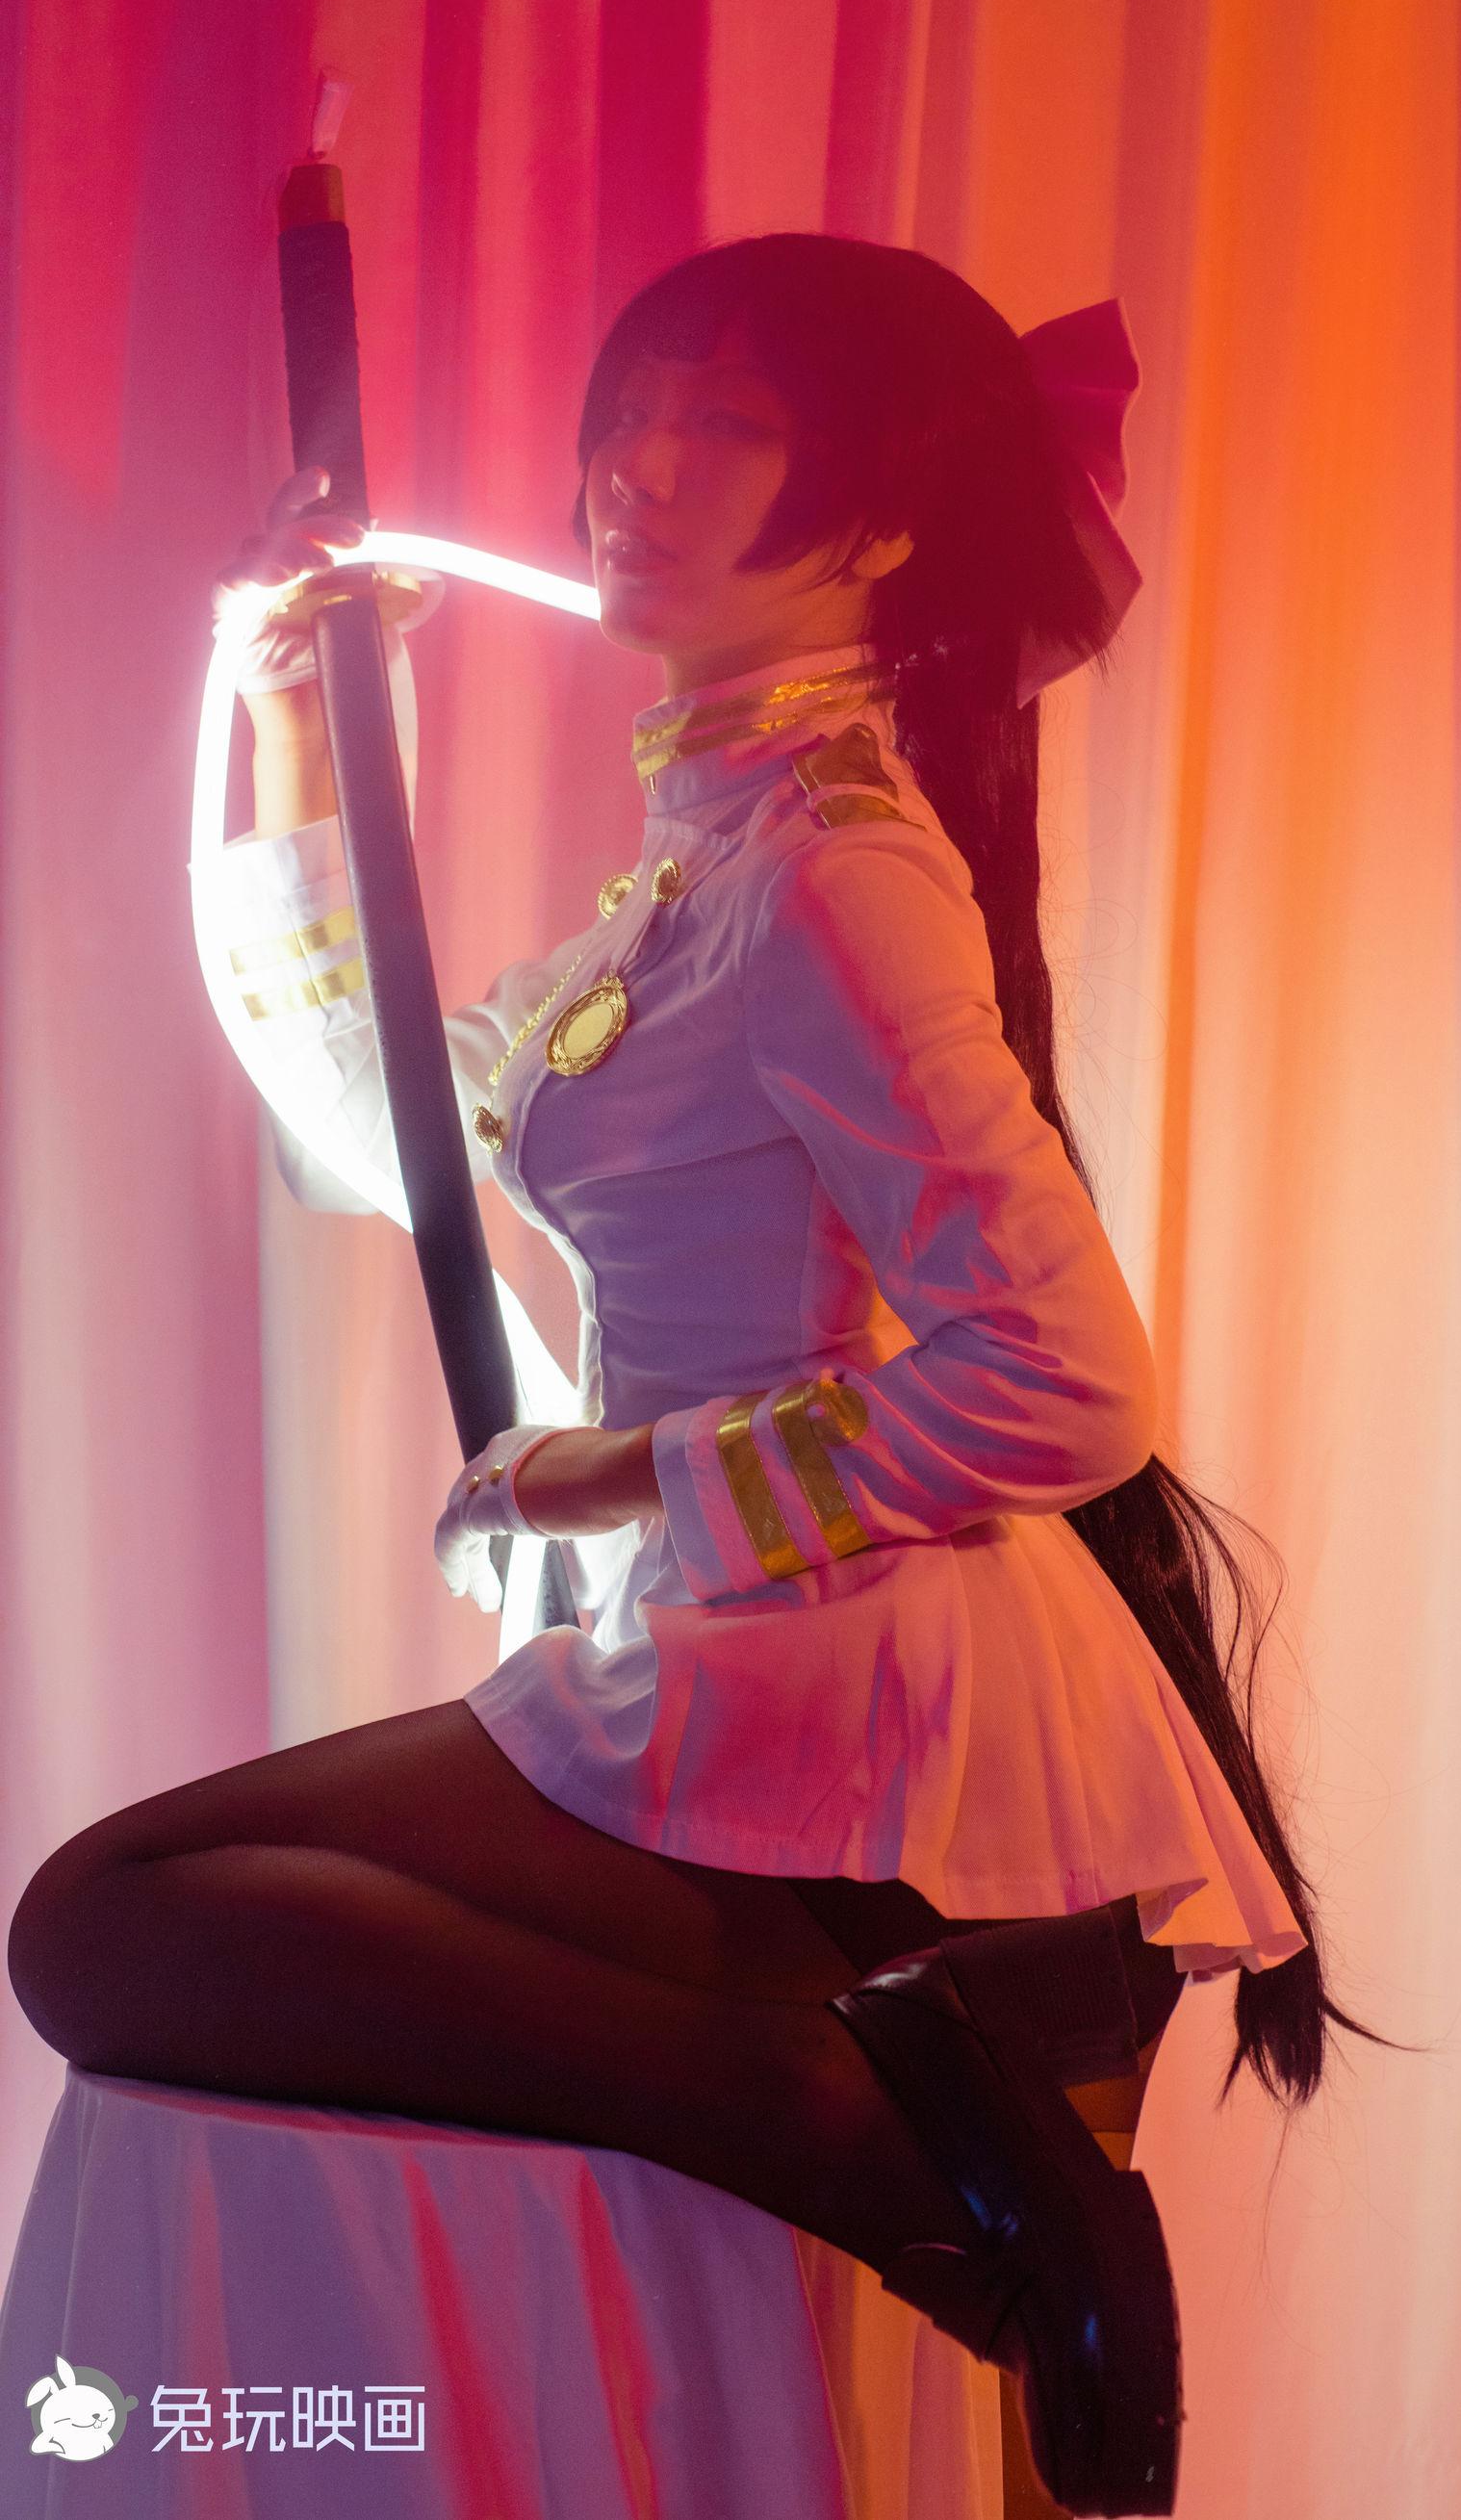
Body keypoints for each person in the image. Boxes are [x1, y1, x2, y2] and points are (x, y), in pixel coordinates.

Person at [9, 233, 1387, 2517]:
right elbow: (395, 1127)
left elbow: (1063, 1382)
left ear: (880, 523)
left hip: (835, 1688)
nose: (636, 466)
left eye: (724, 424)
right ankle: (848, 2107)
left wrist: (618, 1475)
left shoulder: (832, 875)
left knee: (105, 1923)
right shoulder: (710, 864)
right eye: (631, 408)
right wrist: (293, 723)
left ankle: (851, 2122)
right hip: (735, 1652)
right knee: (135, 1919)